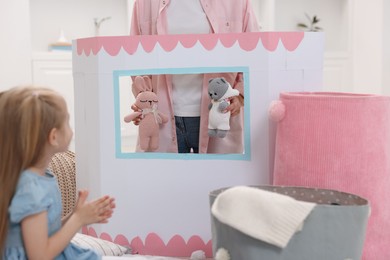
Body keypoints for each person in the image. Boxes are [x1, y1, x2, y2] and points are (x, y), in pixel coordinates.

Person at [129, 0, 260, 154]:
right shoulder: (145, 3)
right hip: (162, 117)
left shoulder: (238, 3)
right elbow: (135, 56)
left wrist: (240, 96)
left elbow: (255, 52)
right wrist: (143, 99)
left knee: (217, 177)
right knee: (162, 177)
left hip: (219, 116)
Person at [0, 86, 116, 259]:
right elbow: (39, 255)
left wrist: (75, 215)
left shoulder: (40, 176)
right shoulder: (31, 187)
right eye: (67, 122)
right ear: (53, 137)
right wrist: (79, 219)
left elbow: (46, 232)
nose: (71, 129)